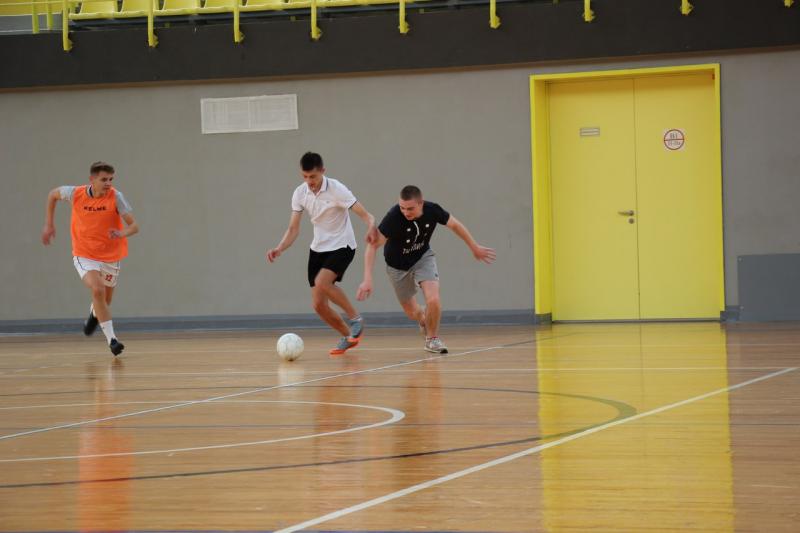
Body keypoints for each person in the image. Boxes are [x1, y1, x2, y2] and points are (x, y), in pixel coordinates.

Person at [357, 185, 495, 354]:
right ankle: (423, 319)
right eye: (402, 207)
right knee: (413, 313)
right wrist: (367, 278)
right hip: (397, 267)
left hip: (423, 258)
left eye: (410, 208)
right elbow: (372, 246)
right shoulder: (393, 217)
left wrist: (474, 247)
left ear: (420, 203)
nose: (405, 212)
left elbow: (455, 225)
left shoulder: (432, 210)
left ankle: (432, 339)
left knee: (433, 299)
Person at [267, 152, 378, 356]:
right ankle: (349, 337)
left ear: (323, 172)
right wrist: (279, 248)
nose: (309, 181)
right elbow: (293, 229)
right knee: (318, 305)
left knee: (322, 283)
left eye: (313, 176)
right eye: (305, 176)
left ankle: (356, 319)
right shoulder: (300, 193)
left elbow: (366, 215)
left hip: (343, 245)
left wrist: (371, 226)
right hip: (318, 248)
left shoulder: (337, 189)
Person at [41, 161, 139, 356]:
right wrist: (49, 224)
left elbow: (134, 226)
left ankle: (94, 314)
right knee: (97, 289)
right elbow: (52, 194)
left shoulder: (116, 197)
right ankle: (112, 341)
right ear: (92, 180)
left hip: (111, 255)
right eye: (104, 179)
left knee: (104, 301)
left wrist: (121, 233)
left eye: (111, 179)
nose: (108, 183)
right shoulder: (74, 193)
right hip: (85, 253)